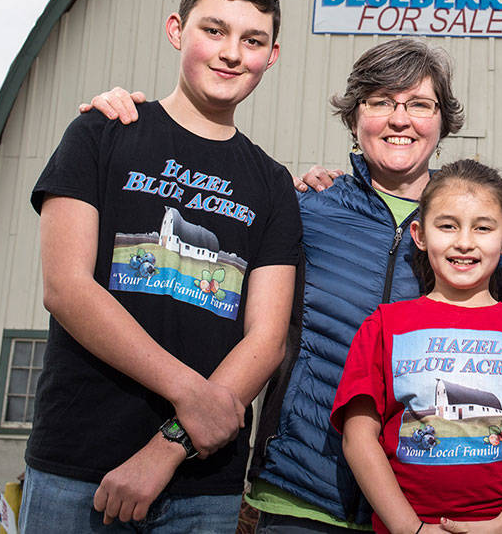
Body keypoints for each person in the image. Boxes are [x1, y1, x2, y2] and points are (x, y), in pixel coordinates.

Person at [80, 38, 467, 532]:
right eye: (379, 102)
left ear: (442, 121)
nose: (400, 119)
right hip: (302, 492)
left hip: (429, 500)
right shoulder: (302, 208)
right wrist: (127, 116)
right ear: (353, 118)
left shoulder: (470, 228)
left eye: (419, 104)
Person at [20, 0, 301, 533]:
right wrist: (189, 393)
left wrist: (171, 443)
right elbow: (67, 288)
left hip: (203, 483)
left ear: (270, 57)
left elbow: (267, 338)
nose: (230, 53)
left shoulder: (271, 183)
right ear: (177, 30)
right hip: (79, 464)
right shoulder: (102, 132)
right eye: (213, 30)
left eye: (252, 41)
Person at [331, 159, 502, 533]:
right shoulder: (385, 325)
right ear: (420, 235)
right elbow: (358, 436)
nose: (464, 242)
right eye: (447, 226)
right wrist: (411, 529)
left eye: (483, 228)